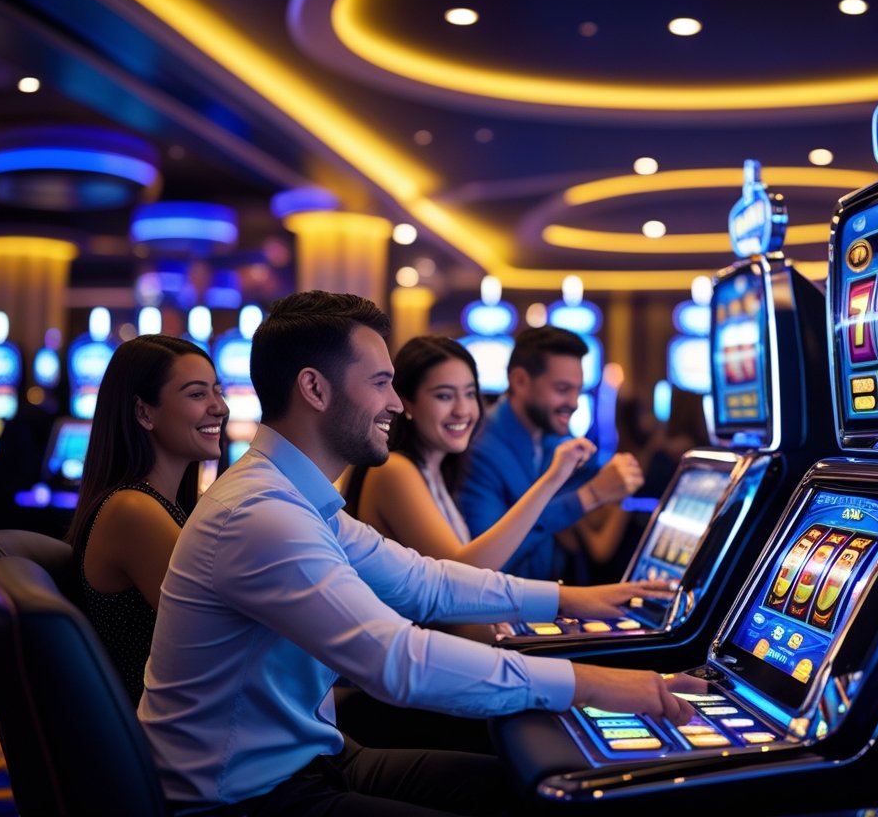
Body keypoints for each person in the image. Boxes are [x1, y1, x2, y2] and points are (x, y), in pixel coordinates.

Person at [139, 291, 702, 816]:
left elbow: (426, 583)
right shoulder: (261, 514)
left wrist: (577, 599)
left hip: (315, 757)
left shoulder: (297, 497)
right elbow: (396, 662)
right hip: (244, 797)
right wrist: (600, 685)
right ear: (314, 388)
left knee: (525, 790)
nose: (394, 403)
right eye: (381, 383)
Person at [65, 334, 228, 704]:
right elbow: (221, 633)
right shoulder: (132, 511)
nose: (220, 407)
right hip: (175, 741)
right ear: (143, 412)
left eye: (217, 391)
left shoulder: (161, 506)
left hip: (199, 720)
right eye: (198, 394)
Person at [349, 335, 595, 573]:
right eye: (444, 396)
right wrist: (552, 480)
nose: (462, 410)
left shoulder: (440, 471)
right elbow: (462, 576)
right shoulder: (394, 469)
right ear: (408, 404)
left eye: (469, 394)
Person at [458, 326, 644, 584]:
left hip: (548, 603)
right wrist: (590, 496)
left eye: (578, 390)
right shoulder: (479, 449)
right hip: (499, 613)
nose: (575, 402)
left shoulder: (557, 441)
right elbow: (483, 565)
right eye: (562, 389)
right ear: (520, 381)